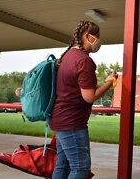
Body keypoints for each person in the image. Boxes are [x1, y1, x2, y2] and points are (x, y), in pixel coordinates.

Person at [49, 20, 117, 179]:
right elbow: (89, 97)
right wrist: (110, 82)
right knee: (80, 167)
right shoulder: (83, 61)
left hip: (58, 120)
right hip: (71, 122)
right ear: (87, 36)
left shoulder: (67, 56)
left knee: (63, 165)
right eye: (97, 37)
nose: (99, 41)